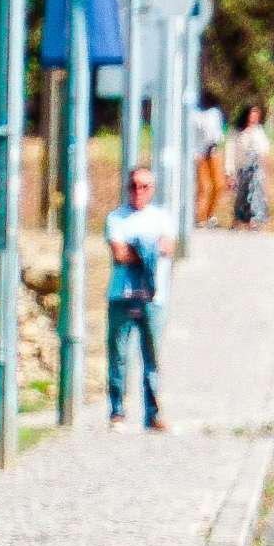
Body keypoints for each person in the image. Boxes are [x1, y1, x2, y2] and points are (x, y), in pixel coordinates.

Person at [106, 165, 182, 431]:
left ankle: (153, 412)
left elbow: (168, 247)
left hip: (153, 297)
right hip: (122, 295)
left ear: (152, 190)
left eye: (144, 186)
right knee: (118, 354)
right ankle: (117, 411)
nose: (138, 191)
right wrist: (149, 249)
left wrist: (137, 247)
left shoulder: (162, 218)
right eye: (134, 186)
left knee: (152, 355)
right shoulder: (116, 218)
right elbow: (119, 254)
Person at [230, 106, 271, 228]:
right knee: (241, 195)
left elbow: (264, 148)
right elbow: (231, 152)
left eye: (256, 115)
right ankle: (237, 220)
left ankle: (253, 220)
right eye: (252, 115)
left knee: (255, 194)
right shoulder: (237, 132)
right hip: (242, 169)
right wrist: (229, 172)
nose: (254, 118)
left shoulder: (258, 131)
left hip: (256, 169)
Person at [193, 99, 230, 227]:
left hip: (214, 150)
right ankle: (200, 217)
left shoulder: (215, 113)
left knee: (219, 185)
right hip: (199, 153)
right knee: (203, 187)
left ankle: (209, 214)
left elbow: (218, 133)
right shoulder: (193, 113)